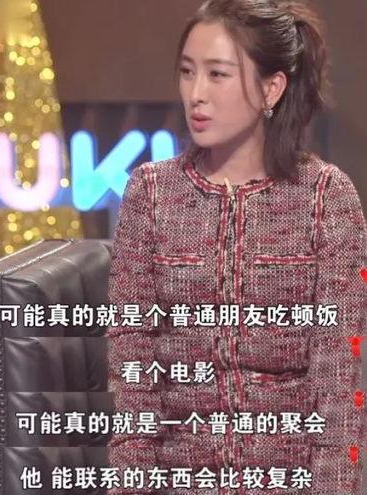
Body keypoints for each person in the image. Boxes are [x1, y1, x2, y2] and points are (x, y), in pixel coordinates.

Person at [106, 0, 366, 494]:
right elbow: (133, 384)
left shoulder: (325, 197)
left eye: (217, 74)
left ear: (272, 88)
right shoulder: (151, 193)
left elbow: (337, 390)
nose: (196, 94)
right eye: (187, 72)